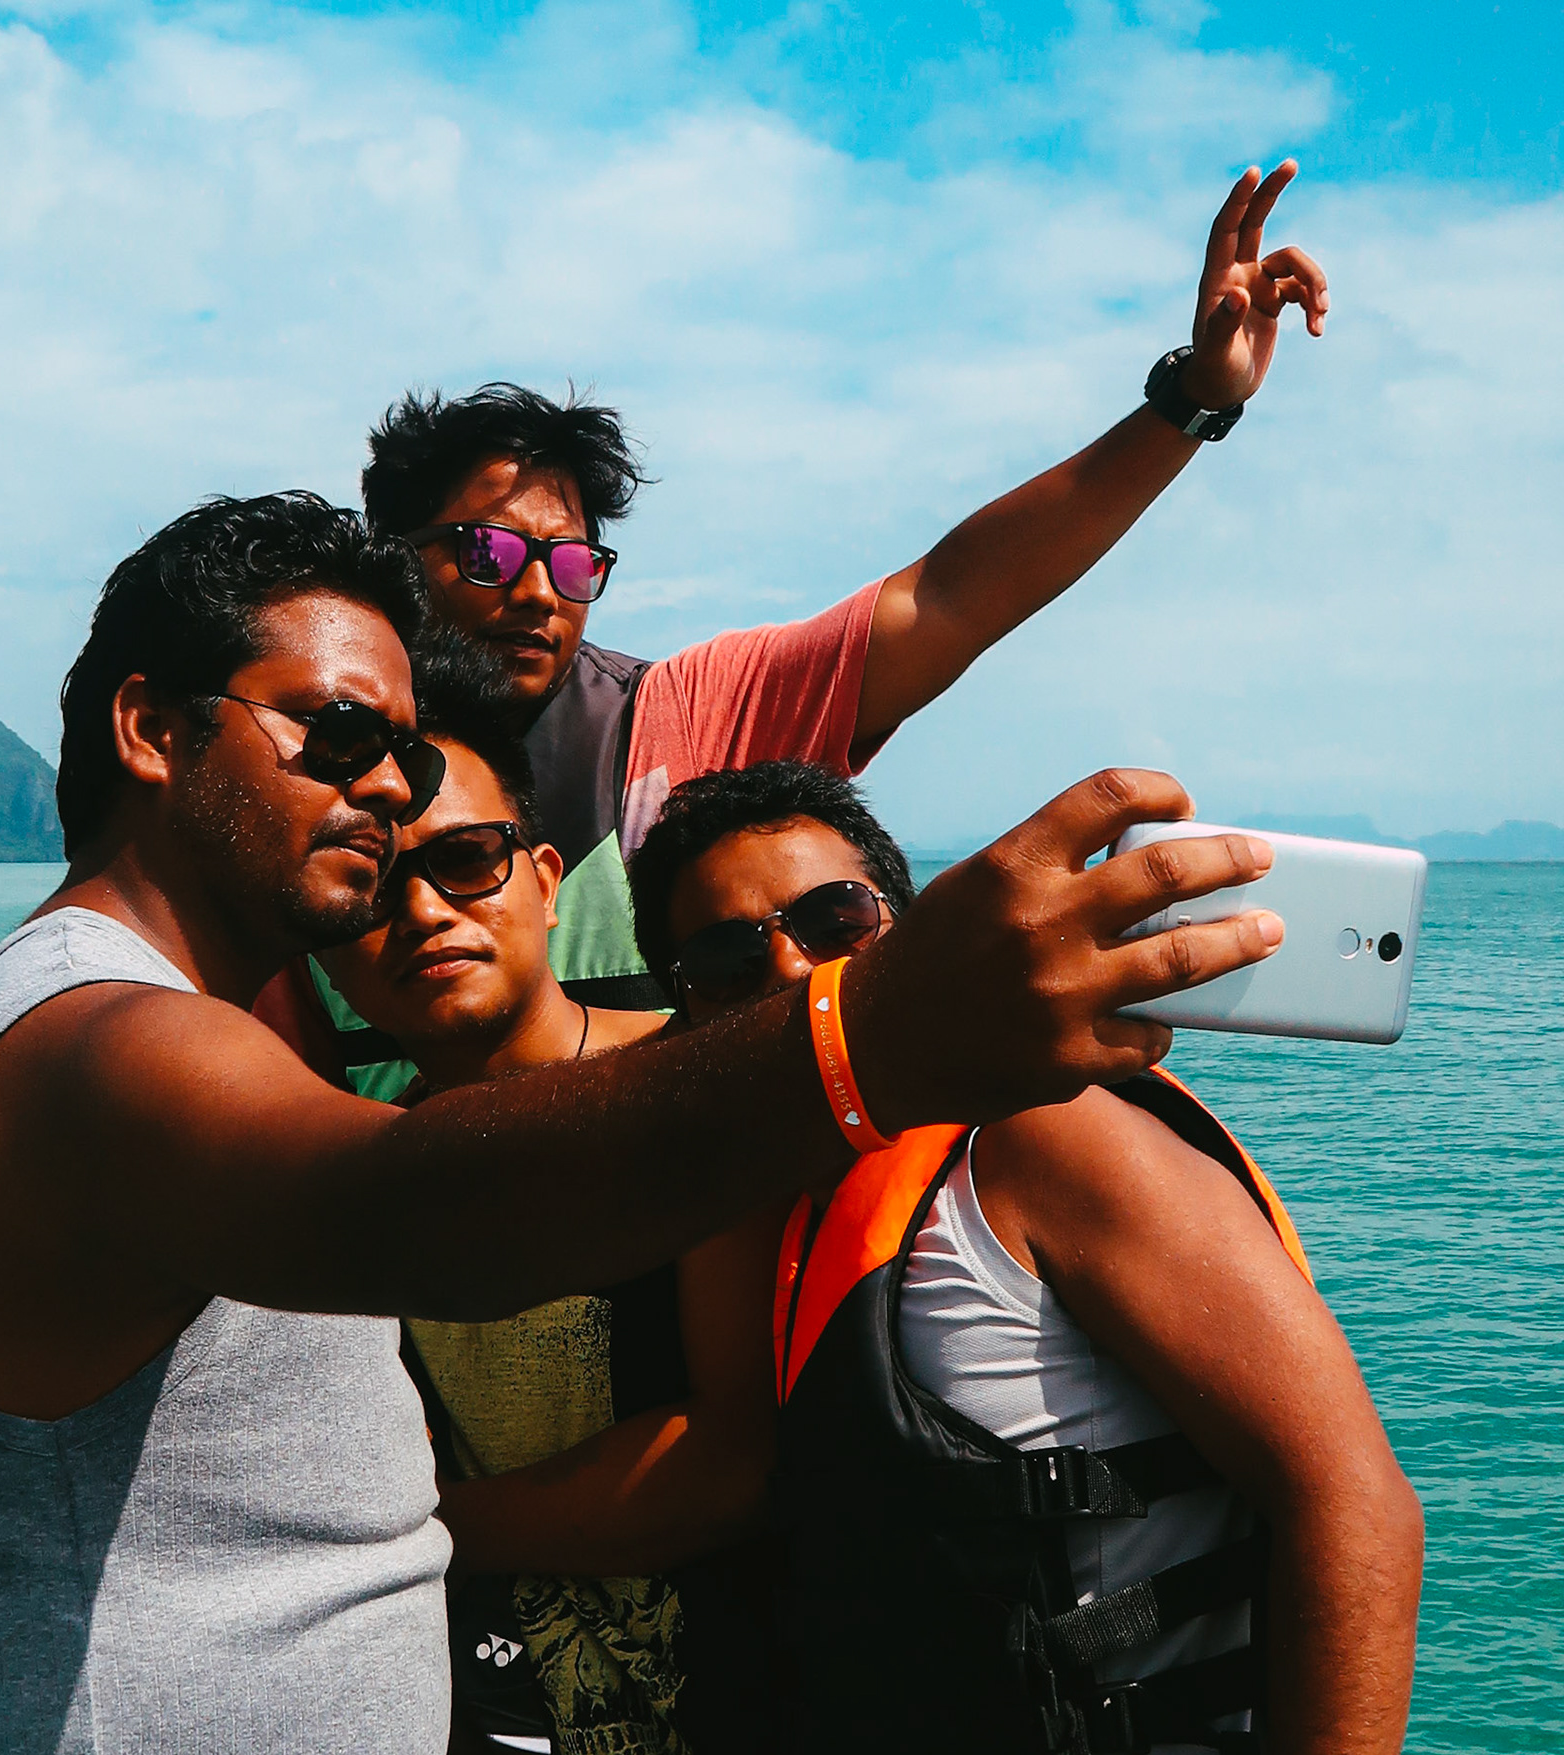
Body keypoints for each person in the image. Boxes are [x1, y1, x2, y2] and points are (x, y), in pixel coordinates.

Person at [0, 489, 1282, 1755]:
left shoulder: (153, 1047)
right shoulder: (95, 1048)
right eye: (337, 735)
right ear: (152, 730)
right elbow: (424, 1208)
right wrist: (880, 1032)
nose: (391, 791)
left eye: (404, 757)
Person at [302, 162, 1326, 1090]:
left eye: (573, 563)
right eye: (489, 553)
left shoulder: (680, 720)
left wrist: (1191, 403)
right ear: (391, 553)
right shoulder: (304, 761)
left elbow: (955, 595)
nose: (537, 594)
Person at [624, 761, 1423, 1755]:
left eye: (830, 921)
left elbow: (1357, 1508)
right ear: (690, 1007)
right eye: (728, 960)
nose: (792, 967)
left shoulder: (1048, 1144)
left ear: (902, 928)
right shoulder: (789, 1214)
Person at [317, 653, 867, 1755]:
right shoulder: (354, 1195)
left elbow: (729, 1460)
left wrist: (398, 1533)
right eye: (369, 891)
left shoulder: (690, 1088)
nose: (424, 912)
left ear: (548, 883)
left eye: (465, 862)